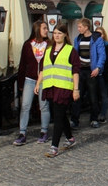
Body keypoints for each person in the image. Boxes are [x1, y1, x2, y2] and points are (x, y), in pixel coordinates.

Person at [34, 22, 80, 158]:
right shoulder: (48, 50)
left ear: (65, 35)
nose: (57, 35)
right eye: (54, 33)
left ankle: (54, 146)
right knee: (59, 115)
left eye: (59, 33)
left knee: (58, 116)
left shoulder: (70, 50)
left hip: (64, 87)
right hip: (51, 86)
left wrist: (76, 89)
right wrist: (38, 83)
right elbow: (43, 69)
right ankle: (70, 138)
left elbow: (75, 71)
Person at [13, 20, 50, 146]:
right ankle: (22, 133)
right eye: (44, 28)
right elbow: (22, 64)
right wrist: (21, 83)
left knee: (43, 106)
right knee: (25, 105)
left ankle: (44, 131)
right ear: (37, 29)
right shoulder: (28, 44)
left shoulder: (49, 44)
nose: (47, 30)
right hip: (29, 78)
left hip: (44, 79)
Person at [71, 18, 106, 129]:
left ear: (86, 27)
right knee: (77, 96)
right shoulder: (78, 39)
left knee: (93, 96)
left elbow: (102, 55)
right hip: (80, 70)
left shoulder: (96, 39)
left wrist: (98, 68)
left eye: (80, 27)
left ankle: (94, 119)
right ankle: (74, 120)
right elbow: (75, 54)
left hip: (91, 71)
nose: (78, 29)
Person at [94, 26, 108, 122]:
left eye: (100, 34)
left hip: (104, 73)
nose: (98, 36)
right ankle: (96, 114)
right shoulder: (92, 45)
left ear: (103, 35)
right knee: (95, 95)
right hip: (94, 74)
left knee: (104, 94)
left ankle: (103, 114)